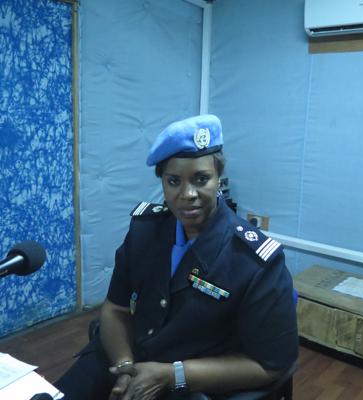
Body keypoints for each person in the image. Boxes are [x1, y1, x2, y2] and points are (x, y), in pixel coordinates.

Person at [56, 114, 298, 400]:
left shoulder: (253, 261)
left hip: (192, 381)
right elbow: (115, 309)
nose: (188, 194)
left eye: (201, 179)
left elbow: (271, 364)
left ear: (219, 178)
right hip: (128, 358)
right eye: (174, 181)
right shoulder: (145, 231)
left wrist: (172, 375)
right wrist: (124, 366)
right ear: (163, 182)